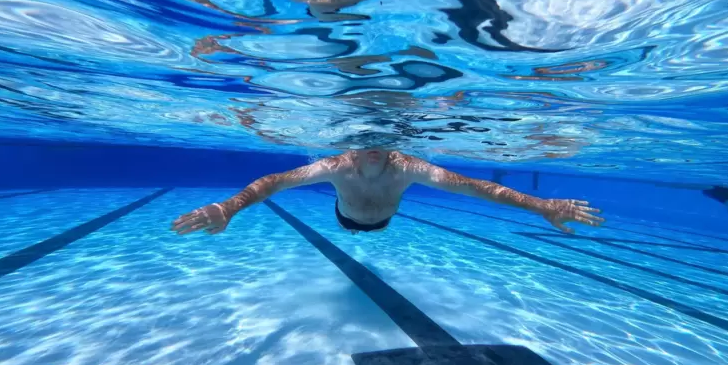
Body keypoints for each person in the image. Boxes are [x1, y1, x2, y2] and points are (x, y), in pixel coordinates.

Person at [171, 149, 604, 236]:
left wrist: (542, 204)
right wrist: (228, 206)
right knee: (355, 224)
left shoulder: (406, 168)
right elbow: (274, 182)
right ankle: (356, 227)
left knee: (361, 224)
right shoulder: (338, 167)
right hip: (354, 218)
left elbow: (478, 187)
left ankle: (360, 226)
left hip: (369, 221)